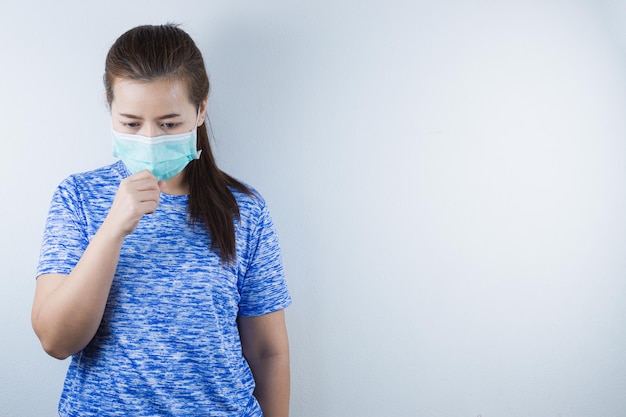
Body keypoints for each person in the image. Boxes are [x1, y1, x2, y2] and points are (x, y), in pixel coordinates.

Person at [31, 23, 291, 417]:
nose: (150, 140)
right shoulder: (79, 197)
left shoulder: (245, 211)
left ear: (201, 109)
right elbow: (56, 340)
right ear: (110, 108)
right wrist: (114, 228)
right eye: (131, 124)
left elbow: (267, 351)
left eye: (169, 124)